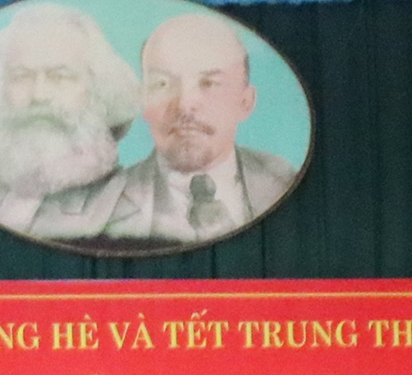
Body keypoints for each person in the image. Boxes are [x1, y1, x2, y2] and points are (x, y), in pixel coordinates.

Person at [60, 11, 301, 251]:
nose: (184, 104)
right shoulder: (97, 207)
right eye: (163, 84)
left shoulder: (284, 181)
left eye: (208, 83)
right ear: (143, 100)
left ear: (245, 103)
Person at [0, 2, 140, 236]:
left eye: (60, 76)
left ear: (99, 90)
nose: (39, 95)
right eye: (21, 76)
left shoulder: (135, 207)